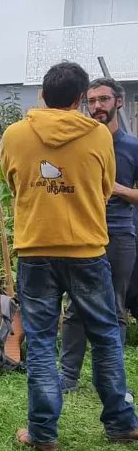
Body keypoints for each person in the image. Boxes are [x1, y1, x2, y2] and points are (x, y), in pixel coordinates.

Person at [0, 61, 138, 451]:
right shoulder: (98, 135)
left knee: (42, 341)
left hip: (36, 250)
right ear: (80, 99)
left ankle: (43, 433)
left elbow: (14, 182)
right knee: (106, 335)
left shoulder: (15, 134)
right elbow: (105, 186)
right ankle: (121, 423)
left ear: (42, 95)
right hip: (87, 250)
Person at [60, 78, 138, 395]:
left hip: (119, 233)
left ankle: (109, 380)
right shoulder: (80, 142)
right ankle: (67, 378)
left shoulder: (132, 147)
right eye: (91, 101)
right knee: (75, 307)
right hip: (82, 233)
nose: (97, 107)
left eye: (103, 99)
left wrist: (116, 188)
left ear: (118, 102)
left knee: (115, 308)